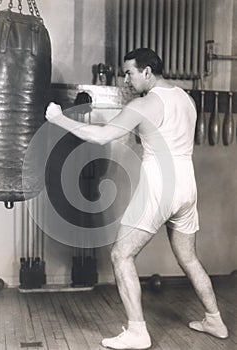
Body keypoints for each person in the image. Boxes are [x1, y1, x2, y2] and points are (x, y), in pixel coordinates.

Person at [45, 48, 228, 350]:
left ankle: (137, 332)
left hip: (160, 185)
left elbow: (102, 136)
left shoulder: (145, 104)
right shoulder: (186, 99)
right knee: (189, 258)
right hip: (187, 185)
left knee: (121, 255)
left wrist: (58, 119)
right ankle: (214, 319)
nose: (126, 79)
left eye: (129, 73)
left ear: (147, 72)